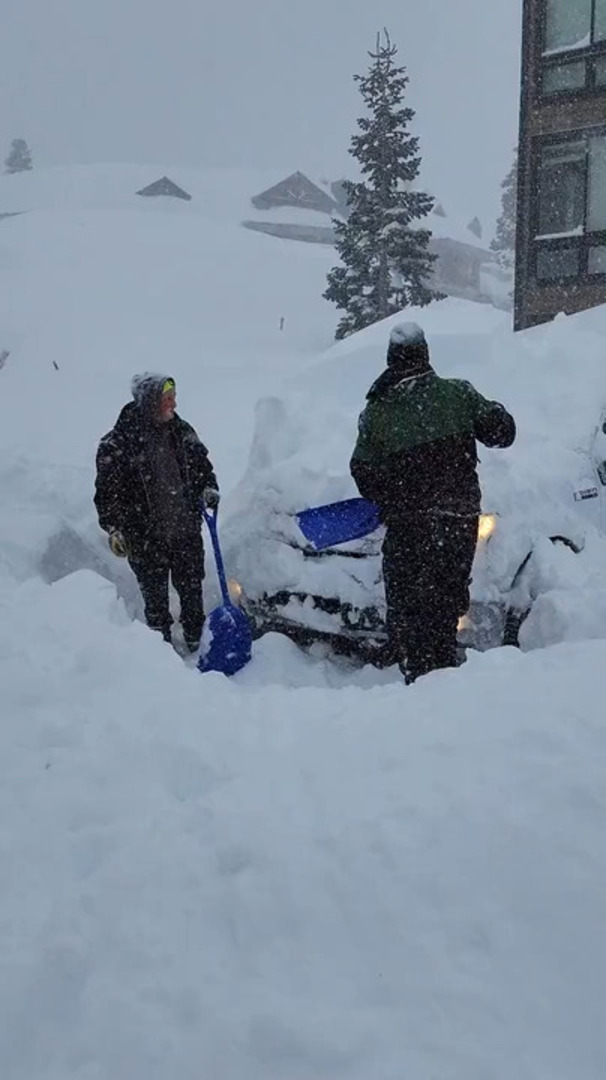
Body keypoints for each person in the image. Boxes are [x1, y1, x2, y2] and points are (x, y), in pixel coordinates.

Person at [350, 323, 515, 684]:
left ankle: (419, 679)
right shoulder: (459, 395)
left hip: (410, 527)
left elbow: (363, 475)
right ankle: (441, 679)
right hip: (458, 522)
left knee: (410, 609)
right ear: (425, 356)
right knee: (445, 605)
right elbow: (504, 434)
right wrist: (495, 413)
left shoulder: (377, 413)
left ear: (392, 360)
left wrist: (399, 493)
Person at [94, 373, 219, 652]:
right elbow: (107, 494)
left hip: (185, 530)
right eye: (167, 399)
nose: (174, 404)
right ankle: (158, 653)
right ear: (150, 402)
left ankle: (196, 640)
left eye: (173, 397)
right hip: (145, 536)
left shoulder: (181, 430)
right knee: (155, 599)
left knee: (191, 591)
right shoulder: (117, 443)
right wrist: (114, 528)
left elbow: (202, 467)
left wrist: (208, 488)